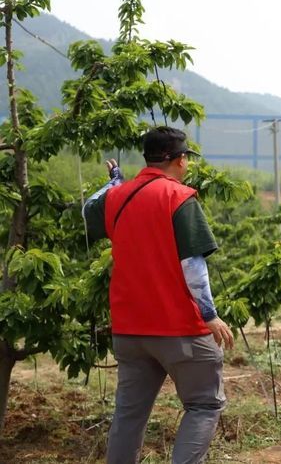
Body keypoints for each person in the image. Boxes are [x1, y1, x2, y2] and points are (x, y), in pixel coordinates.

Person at [82, 126, 235, 464]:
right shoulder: (179, 197)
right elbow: (193, 266)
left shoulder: (117, 197)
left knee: (129, 415)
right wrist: (210, 315)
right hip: (179, 328)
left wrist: (115, 182)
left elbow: (88, 209)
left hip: (129, 330)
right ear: (179, 160)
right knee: (203, 404)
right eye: (186, 160)